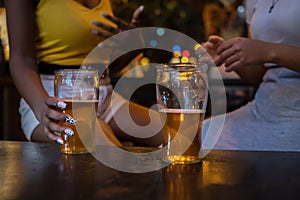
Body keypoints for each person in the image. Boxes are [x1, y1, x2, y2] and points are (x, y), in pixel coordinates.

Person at [5, 0, 162, 147]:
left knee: (181, 138)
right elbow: (21, 59)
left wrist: (131, 48)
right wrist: (43, 110)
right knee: (107, 149)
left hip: (104, 98)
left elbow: (105, 67)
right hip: (54, 99)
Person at [202, 0, 300, 151]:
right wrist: (228, 55)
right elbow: (259, 76)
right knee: (188, 140)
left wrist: (269, 51)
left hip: (293, 117)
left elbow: (265, 52)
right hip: (265, 109)